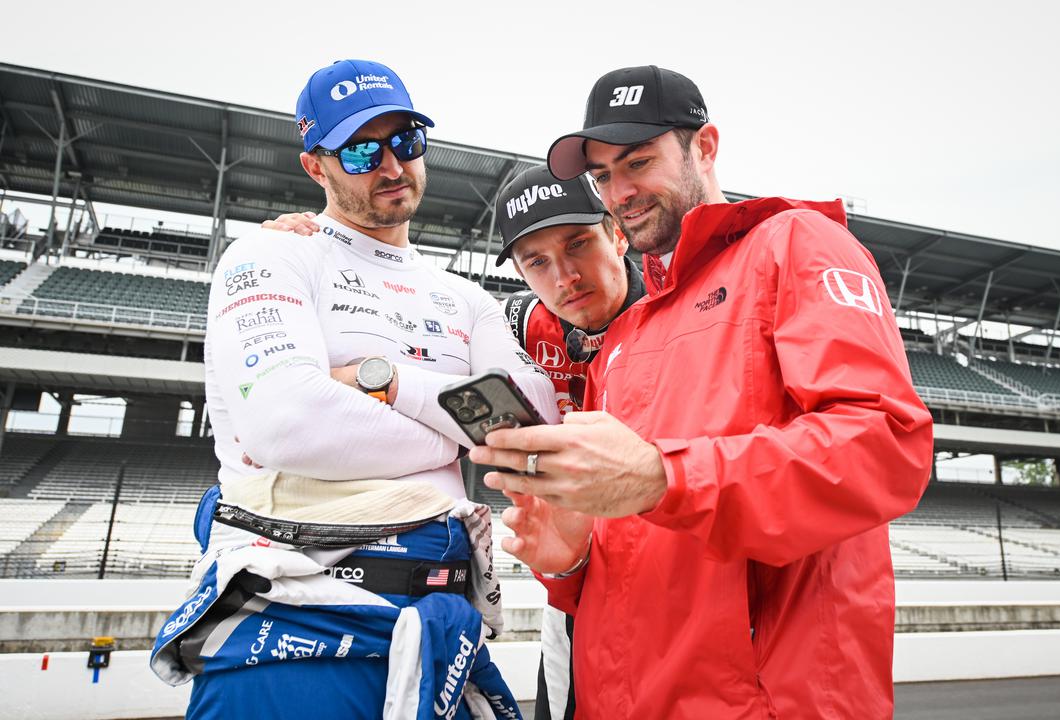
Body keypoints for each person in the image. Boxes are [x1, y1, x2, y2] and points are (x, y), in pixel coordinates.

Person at [469, 65, 935, 718]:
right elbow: (633, 556)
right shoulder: (627, 337)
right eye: (603, 176)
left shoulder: (795, 243)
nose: (620, 191)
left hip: (766, 700)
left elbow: (886, 447)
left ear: (705, 147)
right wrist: (569, 563)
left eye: (637, 162)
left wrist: (667, 476)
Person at [150, 59, 557, 720]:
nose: (392, 165)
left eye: (407, 142)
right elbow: (289, 423)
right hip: (292, 624)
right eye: (363, 149)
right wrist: (458, 432)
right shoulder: (272, 256)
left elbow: (536, 431)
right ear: (316, 166)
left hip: (442, 631)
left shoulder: (466, 299)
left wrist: (388, 384)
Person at [264, 163, 647, 720]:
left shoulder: (676, 308)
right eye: (536, 262)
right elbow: (405, 324)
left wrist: (383, 383)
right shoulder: (513, 320)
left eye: (579, 244)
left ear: (616, 232)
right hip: (574, 581)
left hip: (669, 558)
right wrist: (313, 248)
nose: (565, 276)